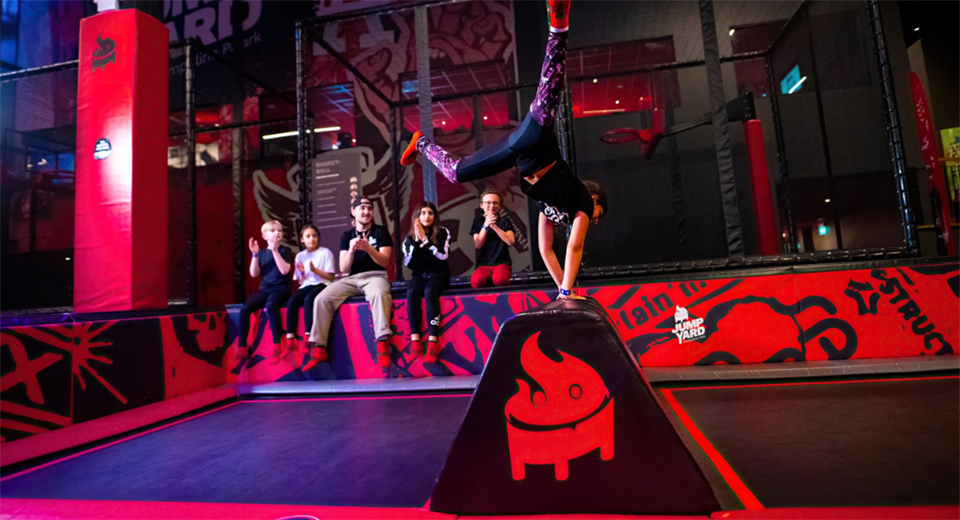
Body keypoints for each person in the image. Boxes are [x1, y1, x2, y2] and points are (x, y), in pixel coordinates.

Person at [400, 0, 607, 300]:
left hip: (516, 152)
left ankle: (420, 142)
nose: (595, 220)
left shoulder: (553, 209)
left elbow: (545, 249)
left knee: (457, 173)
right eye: (599, 214)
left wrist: (565, 293)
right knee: (549, 93)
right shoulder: (583, 203)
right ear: (595, 200)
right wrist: (568, 291)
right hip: (538, 145)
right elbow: (574, 247)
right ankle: (558, 25)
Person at [303, 197, 394, 371]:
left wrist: (369, 248)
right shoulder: (347, 235)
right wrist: (351, 250)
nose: (366, 212)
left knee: (379, 293)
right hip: (352, 279)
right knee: (322, 298)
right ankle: (319, 347)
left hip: (375, 275)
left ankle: (382, 344)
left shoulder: (381, 232)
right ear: (353, 211)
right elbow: (343, 267)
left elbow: (385, 261)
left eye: (369, 208)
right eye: (362, 208)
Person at [238, 220, 293, 364]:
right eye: (273, 230)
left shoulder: (285, 251)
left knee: (271, 304)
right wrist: (255, 255)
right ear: (264, 236)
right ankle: (242, 347)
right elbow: (254, 273)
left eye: (279, 230)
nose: (277, 233)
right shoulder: (261, 252)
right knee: (245, 308)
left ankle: (276, 345)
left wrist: (275, 251)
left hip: (281, 288)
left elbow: (284, 271)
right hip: (265, 288)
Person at [402, 201, 451, 363]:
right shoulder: (409, 239)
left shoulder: (443, 232)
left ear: (435, 216)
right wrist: (418, 242)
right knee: (412, 291)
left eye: (430, 213)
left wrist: (426, 241)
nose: (427, 216)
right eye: (423, 213)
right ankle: (415, 341)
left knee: (430, 291)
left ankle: (432, 342)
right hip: (419, 276)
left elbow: (443, 256)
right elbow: (410, 264)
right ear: (417, 217)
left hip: (439, 275)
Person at [283, 225, 336, 354]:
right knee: (292, 300)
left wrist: (315, 270)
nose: (312, 239)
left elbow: (330, 277)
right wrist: (302, 272)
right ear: (302, 240)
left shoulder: (325, 252)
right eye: (308, 236)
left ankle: (308, 335)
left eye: (314, 236)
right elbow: (301, 281)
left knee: (309, 299)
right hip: (307, 285)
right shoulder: (300, 256)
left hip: (323, 284)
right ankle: (290, 338)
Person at [470, 188, 515, 288]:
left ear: (499, 206)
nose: (492, 206)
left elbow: (510, 241)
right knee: (477, 281)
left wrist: (494, 226)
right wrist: (486, 225)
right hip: (483, 263)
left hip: (502, 262)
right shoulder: (478, 222)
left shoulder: (504, 221)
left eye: (495, 203)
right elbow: (478, 244)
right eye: (488, 202)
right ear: (481, 205)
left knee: (500, 279)